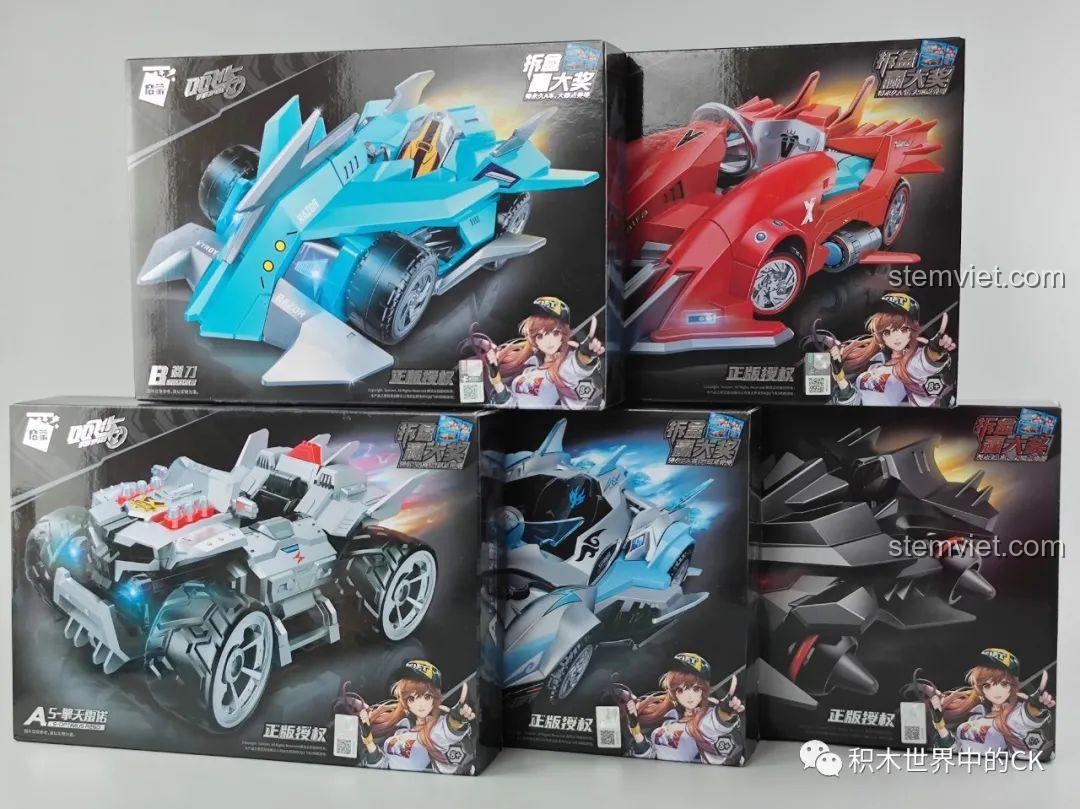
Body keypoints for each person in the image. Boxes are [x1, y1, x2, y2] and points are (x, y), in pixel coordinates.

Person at [826, 292, 955, 406]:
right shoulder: (875, 364)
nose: (896, 337)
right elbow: (854, 400)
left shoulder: (910, 364)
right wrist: (839, 376)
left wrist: (935, 350)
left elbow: (924, 363)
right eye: (887, 332)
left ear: (913, 330)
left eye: (903, 329)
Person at [479, 296, 604, 409]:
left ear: (563, 335)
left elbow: (573, 369)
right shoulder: (530, 367)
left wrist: (584, 357)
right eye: (540, 335)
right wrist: (496, 381)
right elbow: (512, 404)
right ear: (534, 339)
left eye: (555, 333)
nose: (548, 341)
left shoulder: (562, 367)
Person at [924, 648, 1055, 756]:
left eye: (1003, 684)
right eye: (987, 685)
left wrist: (1036, 707)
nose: (995, 691)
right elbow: (957, 750)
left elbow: (1025, 718)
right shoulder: (976, 714)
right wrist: (940, 725)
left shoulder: (1012, 716)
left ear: (1013, 685)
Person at [624, 653, 745, 765]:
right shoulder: (668, 719)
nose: (689, 696)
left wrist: (726, 710)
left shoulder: (704, 719)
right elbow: (651, 757)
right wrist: (636, 732)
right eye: (680, 690)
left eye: (696, 689)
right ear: (674, 692)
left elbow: (715, 723)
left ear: (703, 690)